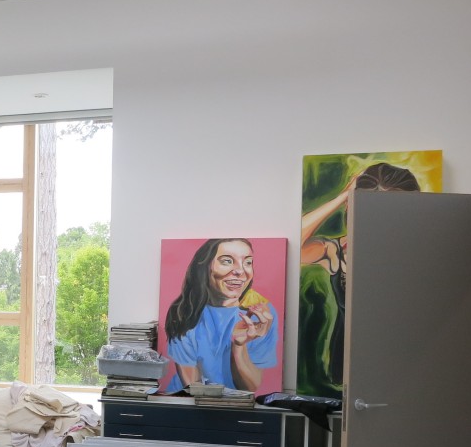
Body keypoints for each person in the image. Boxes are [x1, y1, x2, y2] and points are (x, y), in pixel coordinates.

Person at [298, 162, 420, 393]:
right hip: (349, 361)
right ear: (351, 208)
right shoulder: (335, 251)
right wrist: (344, 195)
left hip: (402, 360)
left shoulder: (415, 254)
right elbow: (298, 240)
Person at [164, 238, 277, 392]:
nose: (241, 271)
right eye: (227, 261)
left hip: (235, 403)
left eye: (248, 262)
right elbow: (193, 388)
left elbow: (250, 387)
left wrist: (239, 346)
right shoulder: (184, 311)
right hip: (188, 400)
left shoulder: (261, 315)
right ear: (205, 267)